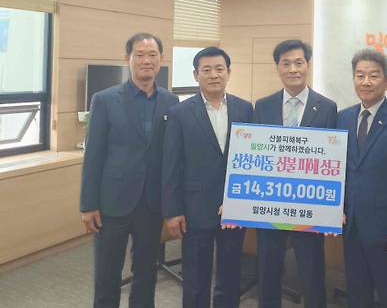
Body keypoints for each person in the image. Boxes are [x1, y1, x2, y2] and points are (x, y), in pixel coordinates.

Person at [80, 33, 179, 308]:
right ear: (128, 59)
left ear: (161, 59)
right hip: (112, 202)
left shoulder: (171, 102)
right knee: (107, 275)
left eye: (152, 55)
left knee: (146, 273)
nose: (147, 60)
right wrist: (88, 204)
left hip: (151, 203)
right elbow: (93, 156)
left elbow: (172, 156)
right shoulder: (105, 99)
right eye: (140, 55)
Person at [162, 47, 253, 308]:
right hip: (194, 208)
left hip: (234, 206)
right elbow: (171, 165)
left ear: (229, 73)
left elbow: (252, 159)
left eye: (219, 69)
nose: (214, 75)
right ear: (196, 75)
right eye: (207, 70)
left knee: (230, 275)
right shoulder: (179, 113)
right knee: (195, 278)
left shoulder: (245, 109)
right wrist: (172, 211)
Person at [254, 39, 337, 308]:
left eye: (298, 63)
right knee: (268, 272)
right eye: (286, 63)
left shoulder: (327, 107)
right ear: (277, 68)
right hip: (271, 204)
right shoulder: (263, 106)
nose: (293, 69)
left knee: (312, 273)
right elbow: (256, 156)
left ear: (308, 65)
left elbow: (332, 160)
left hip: (309, 205)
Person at [337, 49, 387, 308]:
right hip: (351, 226)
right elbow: (338, 170)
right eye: (360, 75)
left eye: (373, 75)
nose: (366, 82)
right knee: (357, 292)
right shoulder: (343, 118)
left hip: (386, 231)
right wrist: (335, 208)